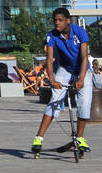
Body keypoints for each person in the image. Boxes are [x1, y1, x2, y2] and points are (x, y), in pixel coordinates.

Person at [32, 8, 92, 157]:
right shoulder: (52, 35)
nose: (56, 23)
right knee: (55, 100)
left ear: (67, 21)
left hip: (82, 70)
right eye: (54, 20)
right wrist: (52, 79)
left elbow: (84, 57)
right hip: (65, 69)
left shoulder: (80, 32)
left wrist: (81, 78)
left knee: (84, 103)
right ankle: (38, 138)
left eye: (60, 20)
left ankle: (79, 138)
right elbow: (49, 59)